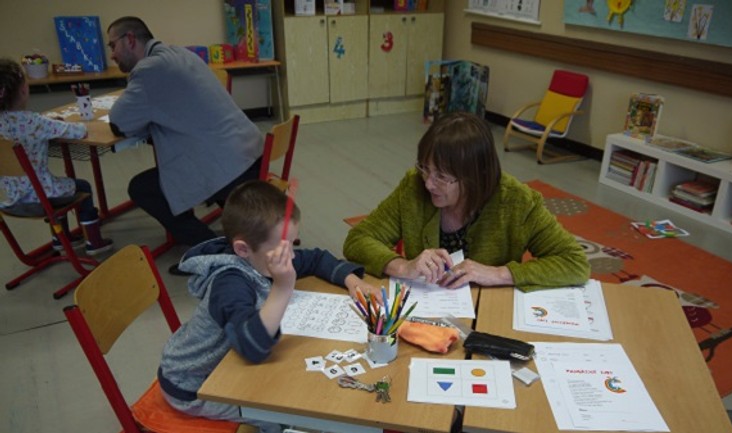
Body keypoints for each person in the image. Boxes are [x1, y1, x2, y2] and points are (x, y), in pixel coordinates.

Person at [157, 180, 378, 431]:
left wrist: (353, 281)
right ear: (243, 249)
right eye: (283, 249)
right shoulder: (229, 284)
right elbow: (252, 346)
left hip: (228, 364)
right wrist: (283, 287)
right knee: (284, 415)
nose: (291, 256)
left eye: (292, 244)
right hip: (193, 386)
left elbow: (316, 258)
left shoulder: (261, 257)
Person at [343, 112, 590, 292]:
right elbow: (358, 240)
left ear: (474, 177)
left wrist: (499, 273)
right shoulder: (414, 186)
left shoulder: (516, 201)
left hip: (492, 311)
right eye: (425, 168)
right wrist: (403, 266)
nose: (429, 183)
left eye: (441, 176)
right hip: (428, 312)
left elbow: (575, 263)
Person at [106, 17, 262, 266]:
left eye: (112, 45)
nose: (112, 54)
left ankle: (214, 252)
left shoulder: (148, 70)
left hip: (228, 167)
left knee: (141, 188)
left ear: (130, 39)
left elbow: (119, 122)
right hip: (248, 150)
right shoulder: (180, 53)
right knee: (170, 175)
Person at [0, 58, 112, 255]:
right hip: (41, 197)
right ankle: (94, 241)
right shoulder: (33, 121)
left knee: (57, 185)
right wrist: (54, 123)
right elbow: (78, 131)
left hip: (13, 198)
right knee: (81, 186)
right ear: (24, 90)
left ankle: (60, 239)